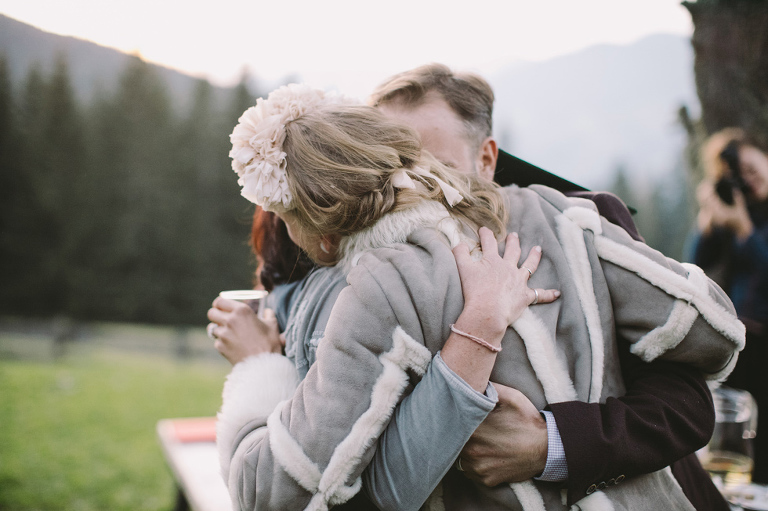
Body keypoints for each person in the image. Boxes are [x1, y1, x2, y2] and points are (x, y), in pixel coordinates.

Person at [216, 64, 728, 510]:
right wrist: (476, 332)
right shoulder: (346, 285)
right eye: (393, 162)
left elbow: (687, 396)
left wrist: (551, 443)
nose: (408, 181)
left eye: (430, 163)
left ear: (487, 159)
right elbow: (713, 328)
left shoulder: (571, 217)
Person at [692, 127, 768, 484]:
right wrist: (709, 220)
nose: (750, 181)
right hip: (744, 340)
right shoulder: (741, 211)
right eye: (742, 177)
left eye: (754, 169)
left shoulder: (749, 220)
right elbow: (693, 265)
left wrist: (744, 230)